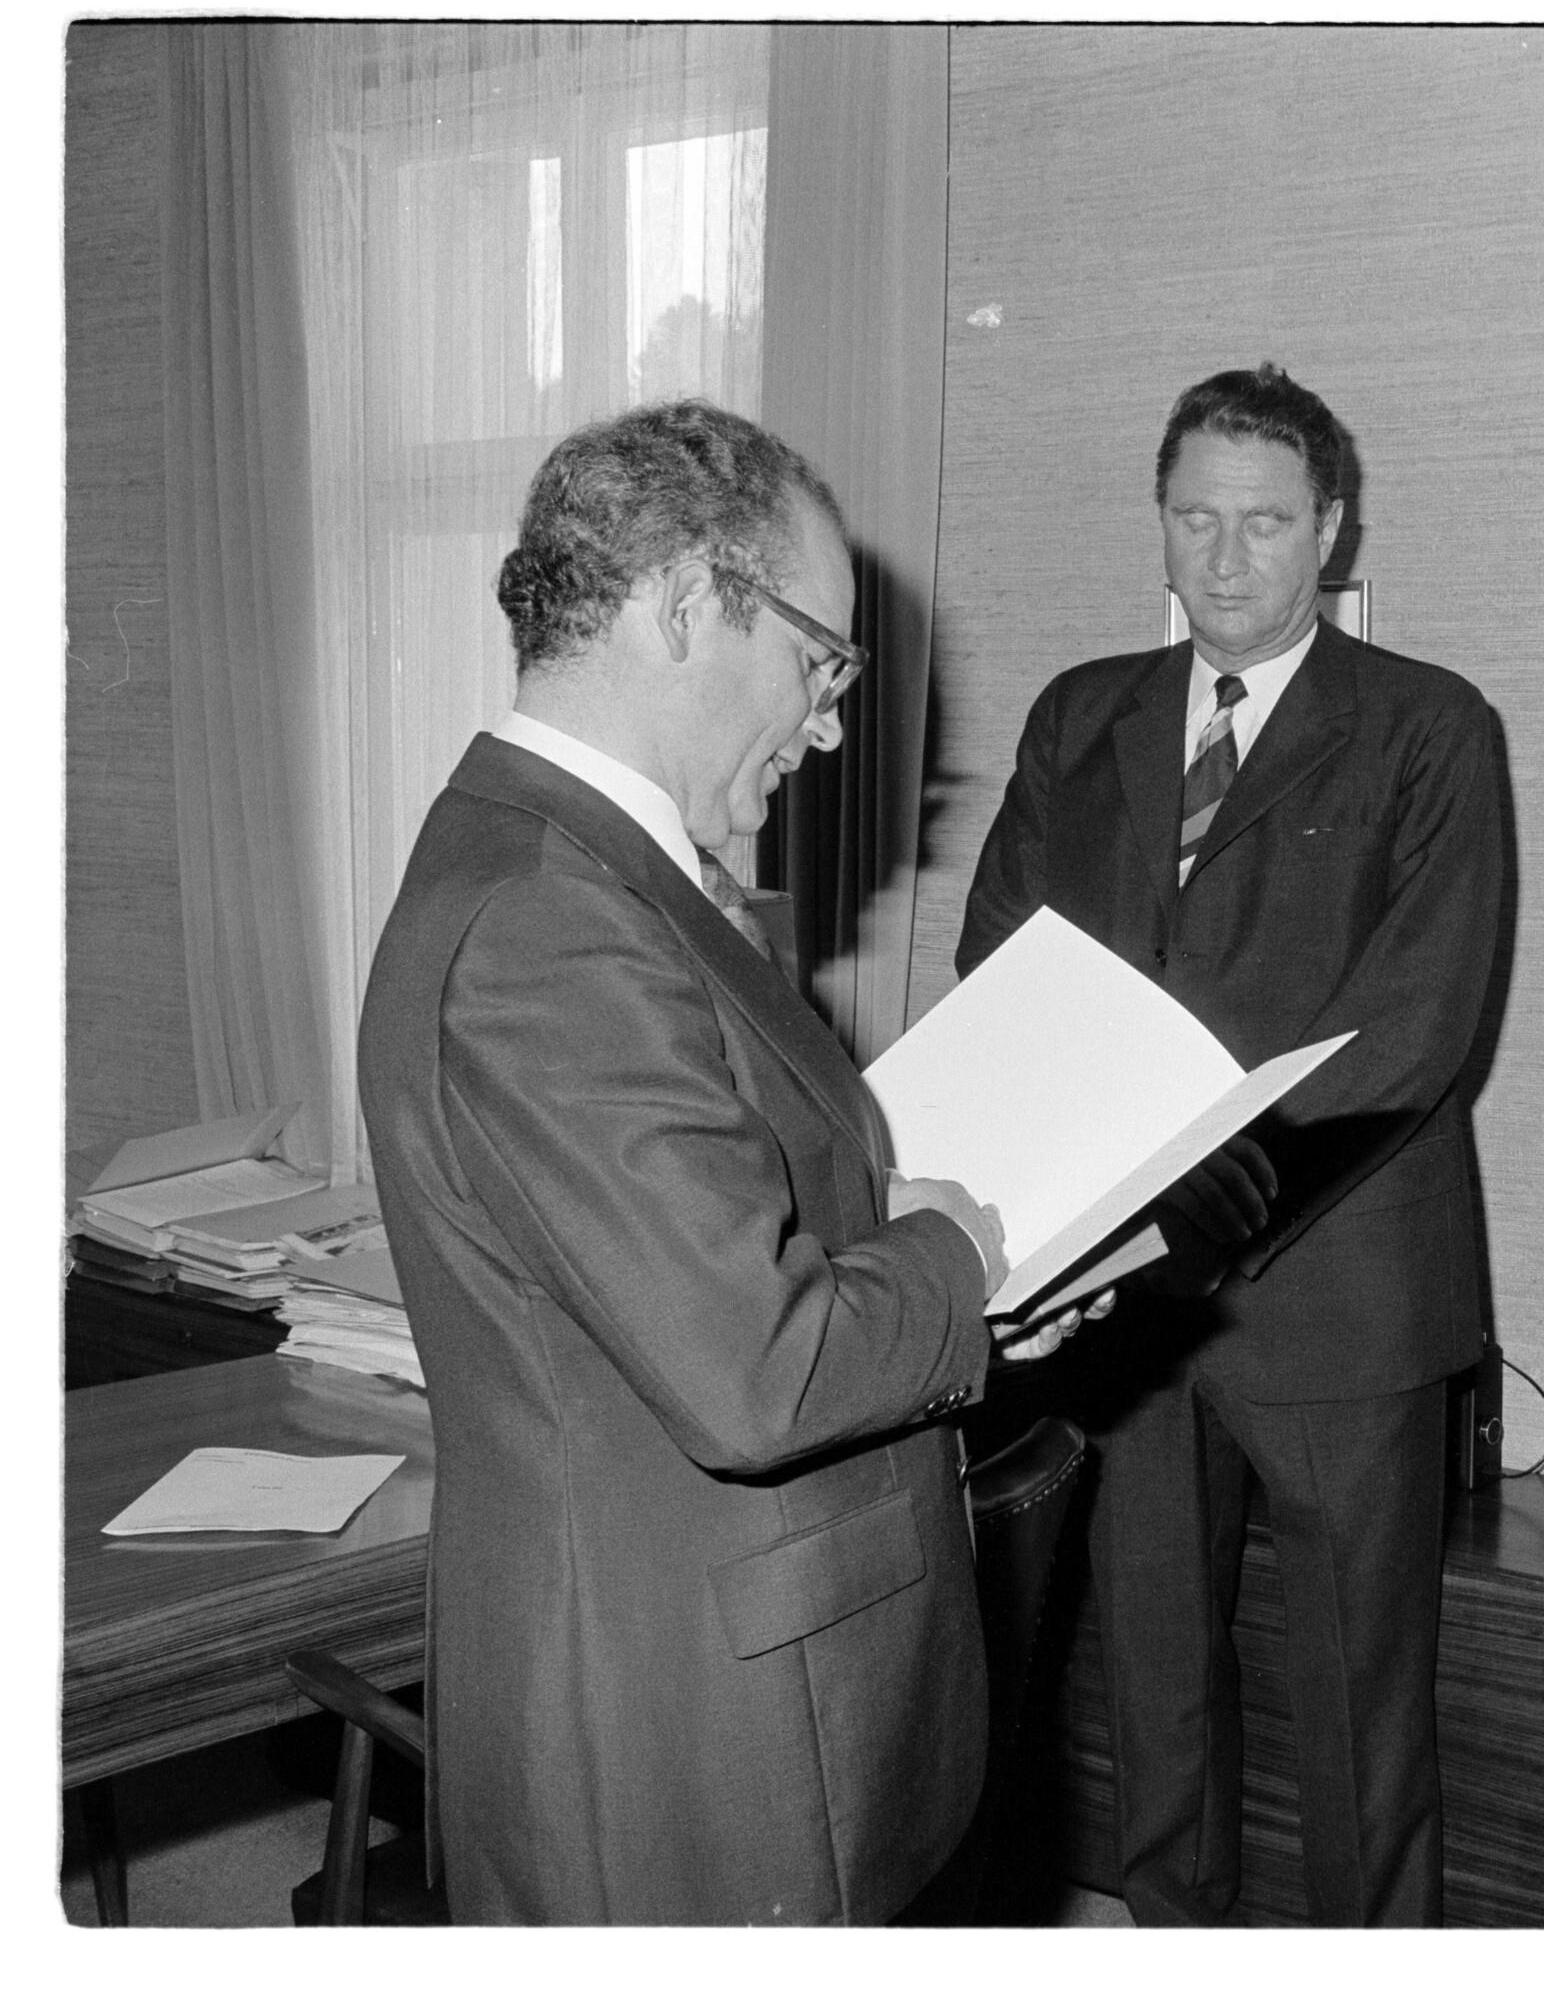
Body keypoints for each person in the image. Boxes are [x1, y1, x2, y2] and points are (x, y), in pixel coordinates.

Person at [357, 400, 1091, 1924]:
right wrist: (958, 1258)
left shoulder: (601, 872)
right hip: (687, 1743)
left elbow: (712, 1223)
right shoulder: (549, 923)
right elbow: (754, 1367)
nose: (829, 726)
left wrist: (928, 1241)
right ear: (690, 601)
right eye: (822, 663)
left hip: (750, 1676)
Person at [957, 362, 1507, 1925]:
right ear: (1161, 520)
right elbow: (1004, 964)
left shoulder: (1429, 728)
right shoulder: (1082, 717)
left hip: (1337, 1291)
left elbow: (1417, 1025)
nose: (1226, 556)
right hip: (1127, 1299)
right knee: (1153, 1697)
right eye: (1196, 519)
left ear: (1330, 531)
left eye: (1264, 523)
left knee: (1360, 1713)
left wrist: (1192, 1199)